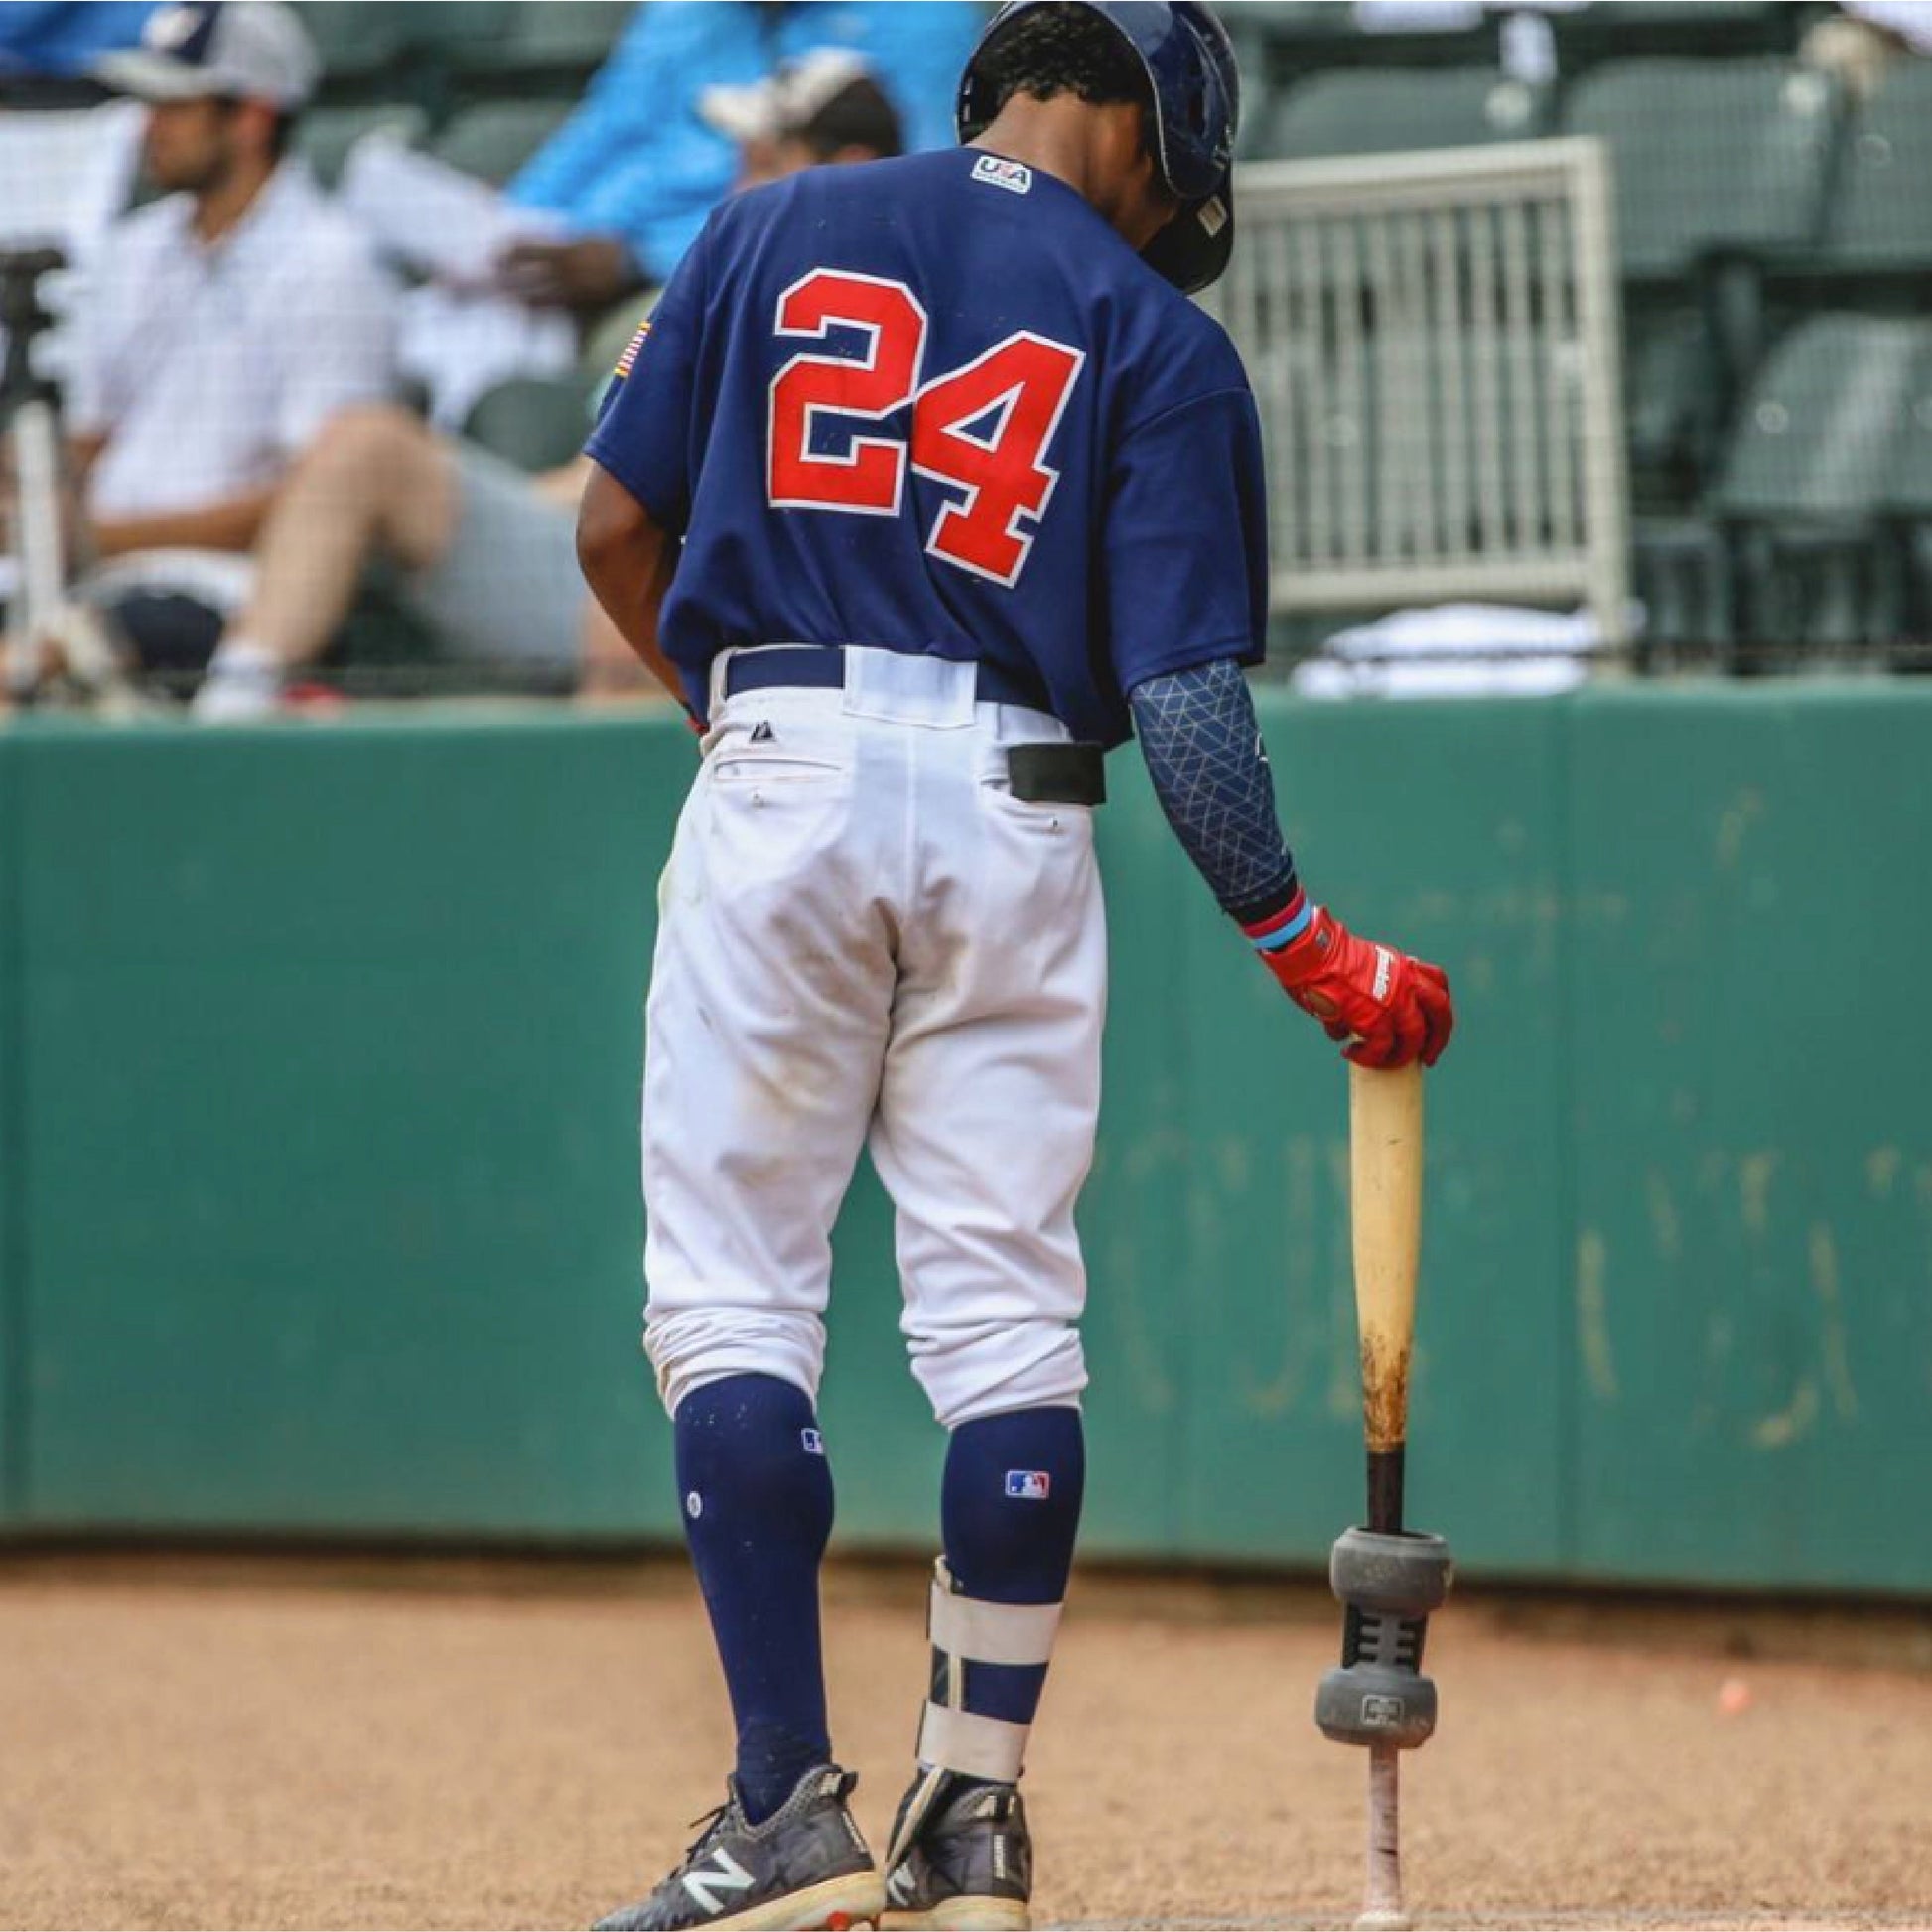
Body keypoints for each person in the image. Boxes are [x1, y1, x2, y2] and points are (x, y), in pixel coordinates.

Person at [576, 6, 1455, 1928]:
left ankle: (777, 1802)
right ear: (1154, 129)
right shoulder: (1161, 338)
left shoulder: (768, 226)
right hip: (1016, 800)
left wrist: (728, 725)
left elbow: (613, 521)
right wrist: (1304, 942)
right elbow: (1189, 706)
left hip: (781, 752)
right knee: (1000, 1324)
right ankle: (969, 1818)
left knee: (732, 1295)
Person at [195, 63, 905, 718]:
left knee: (639, 553)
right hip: (603, 559)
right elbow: (608, 490)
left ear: (849, 171)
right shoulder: (741, 279)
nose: (735, 188)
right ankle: (227, 714)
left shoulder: (841, 315)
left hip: (700, 610)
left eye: (763, 164)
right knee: (367, 447)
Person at [67, 0, 395, 687]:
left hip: (225, 594)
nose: (148, 127)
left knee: (37, 665)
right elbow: (87, 439)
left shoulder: (332, 262)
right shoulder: (131, 249)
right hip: (91, 576)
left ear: (251, 117)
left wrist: (100, 540)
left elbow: (317, 503)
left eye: (175, 106)